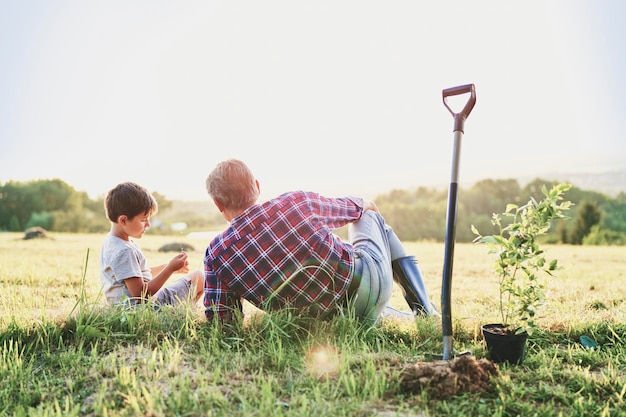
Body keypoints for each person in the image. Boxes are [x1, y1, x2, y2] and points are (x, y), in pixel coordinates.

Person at [203, 158, 436, 324]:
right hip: (367, 287)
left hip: (316, 324)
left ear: (218, 204)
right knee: (369, 214)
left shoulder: (216, 253)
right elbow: (359, 207)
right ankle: (425, 311)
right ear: (257, 186)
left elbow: (223, 321)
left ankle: (381, 314)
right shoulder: (295, 203)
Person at [99, 182, 204, 307]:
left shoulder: (111, 242)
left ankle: (185, 309)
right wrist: (170, 269)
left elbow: (135, 276)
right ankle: (184, 311)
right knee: (199, 277)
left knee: (195, 278)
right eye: (143, 220)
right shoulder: (124, 250)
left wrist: (166, 267)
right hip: (147, 309)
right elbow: (140, 295)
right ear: (123, 220)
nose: (148, 224)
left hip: (129, 310)